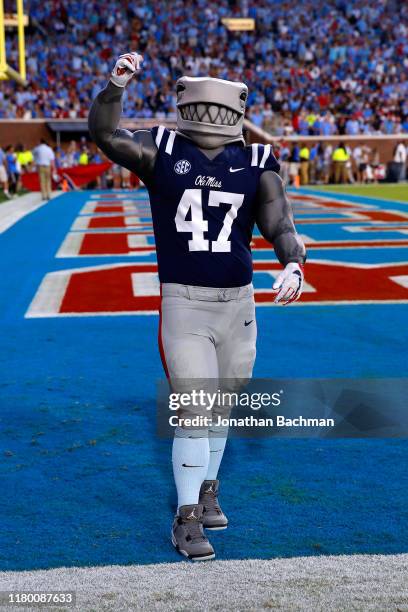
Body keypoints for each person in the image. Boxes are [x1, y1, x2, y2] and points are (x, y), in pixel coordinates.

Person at [89, 52, 306, 562]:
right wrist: (114, 88)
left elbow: (279, 222)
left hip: (240, 302)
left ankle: (208, 490)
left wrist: (294, 262)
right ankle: (185, 518)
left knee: (223, 405)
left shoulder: (257, 161)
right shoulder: (162, 148)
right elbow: (105, 134)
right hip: (185, 302)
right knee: (194, 409)